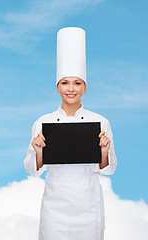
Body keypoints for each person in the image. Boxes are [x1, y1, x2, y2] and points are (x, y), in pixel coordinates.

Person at [24, 27, 117, 240]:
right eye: (65, 83)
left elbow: (108, 169)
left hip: (89, 206)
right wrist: (39, 151)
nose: (71, 88)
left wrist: (104, 150)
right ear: (57, 87)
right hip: (54, 207)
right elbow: (33, 170)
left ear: (85, 87)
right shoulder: (43, 122)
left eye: (77, 83)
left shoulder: (100, 122)